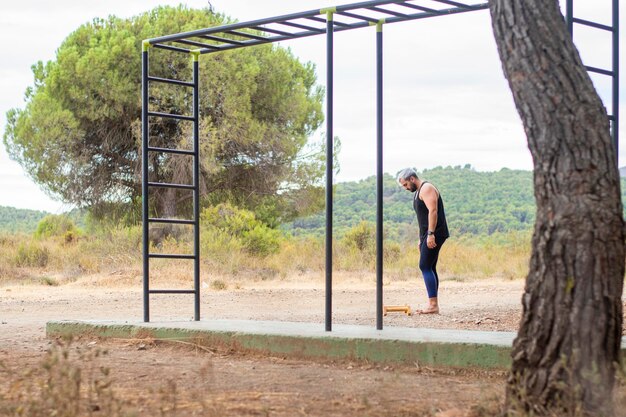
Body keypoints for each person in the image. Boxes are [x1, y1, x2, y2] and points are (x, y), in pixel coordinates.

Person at [397, 168, 449, 314]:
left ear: (412, 179)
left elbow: (433, 211)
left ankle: (433, 306)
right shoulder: (418, 192)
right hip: (428, 234)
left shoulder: (426, 188)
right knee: (430, 266)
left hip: (435, 233)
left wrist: (431, 234)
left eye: (406, 185)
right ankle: (433, 304)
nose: (406, 188)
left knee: (424, 265)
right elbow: (423, 217)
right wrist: (422, 239)